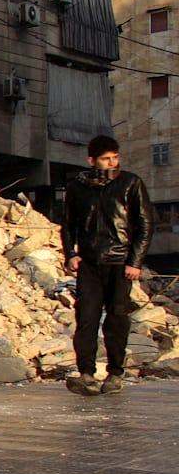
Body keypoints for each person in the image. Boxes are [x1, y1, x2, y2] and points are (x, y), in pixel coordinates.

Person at [61, 135, 153, 396]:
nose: (112, 162)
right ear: (92, 160)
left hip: (120, 263)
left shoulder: (131, 184)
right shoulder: (77, 187)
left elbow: (146, 225)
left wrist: (135, 261)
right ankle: (86, 374)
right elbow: (68, 224)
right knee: (86, 319)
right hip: (89, 264)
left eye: (115, 157)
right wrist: (70, 254)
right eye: (105, 158)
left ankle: (115, 373)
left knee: (117, 320)